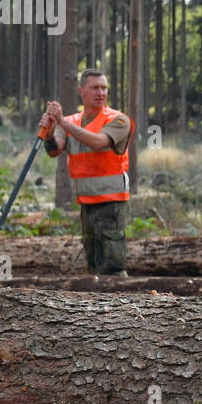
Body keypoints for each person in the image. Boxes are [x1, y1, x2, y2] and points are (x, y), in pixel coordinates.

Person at [41, 69, 134, 275]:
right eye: (95, 88)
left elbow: (99, 142)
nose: (100, 93)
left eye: (104, 88)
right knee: (93, 262)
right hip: (87, 202)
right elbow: (54, 150)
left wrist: (62, 123)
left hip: (112, 202)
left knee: (113, 265)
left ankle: (121, 302)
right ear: (81, 91)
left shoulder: (118, 120)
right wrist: (49, 134)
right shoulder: (72, 121)